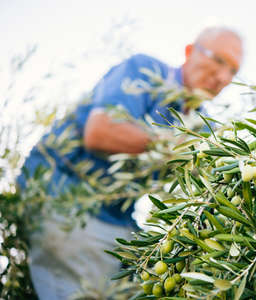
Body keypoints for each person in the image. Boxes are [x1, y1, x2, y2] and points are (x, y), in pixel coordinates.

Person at [17, 26, 243, 299]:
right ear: (189, 51)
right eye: (219, 60)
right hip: (63, 199)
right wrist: (175, 147)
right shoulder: (145, 72)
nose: (223, 77)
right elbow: (101, 131)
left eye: (233, 71)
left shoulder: (202, 125)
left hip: (116, 219)